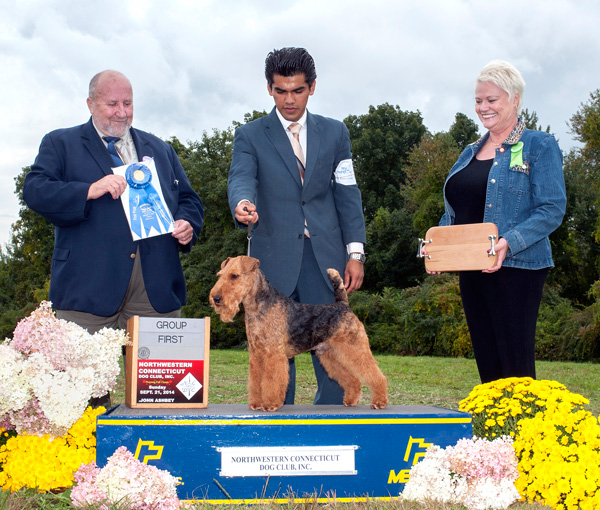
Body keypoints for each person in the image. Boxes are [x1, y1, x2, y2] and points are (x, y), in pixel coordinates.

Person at [23, 70, 204, 405]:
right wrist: (88, 190)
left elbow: (190, 200)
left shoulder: (160, 149)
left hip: (155, 291)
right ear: (91, 104)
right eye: (112, 104)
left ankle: (155, 456)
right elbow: (35, 190)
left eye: (128, 103)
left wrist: (187, 223)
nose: (122, 111)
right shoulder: (60, 143)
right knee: (80, 403)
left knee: (163, 398)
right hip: (86, 292)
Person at [228, 47, 367, 405]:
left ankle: (333, 430)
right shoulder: (249, 135)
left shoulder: (336, 133)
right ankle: (277, 432)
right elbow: (241, 178)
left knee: (334, 357)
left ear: (313, 87)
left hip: (326, 258)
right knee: (272, 355)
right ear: (269, 89)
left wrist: (355, 253)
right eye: (280, 90)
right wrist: (242, 203)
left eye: (298, 90)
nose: (289, 99)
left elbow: (348, 194)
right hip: (273, 261)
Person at [436, 60, 566, 384]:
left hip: (518, 268)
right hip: (472, 268)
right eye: (478, 100)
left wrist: (509, 242)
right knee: (488, 365)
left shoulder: (539, 145)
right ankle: (495, 434)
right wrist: (440, 246)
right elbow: (456, 209)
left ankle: (525, 433)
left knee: (515, 367)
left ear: (514, 99)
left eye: (491, 100)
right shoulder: (469, 152)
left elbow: (552, 208)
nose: (483, 107)